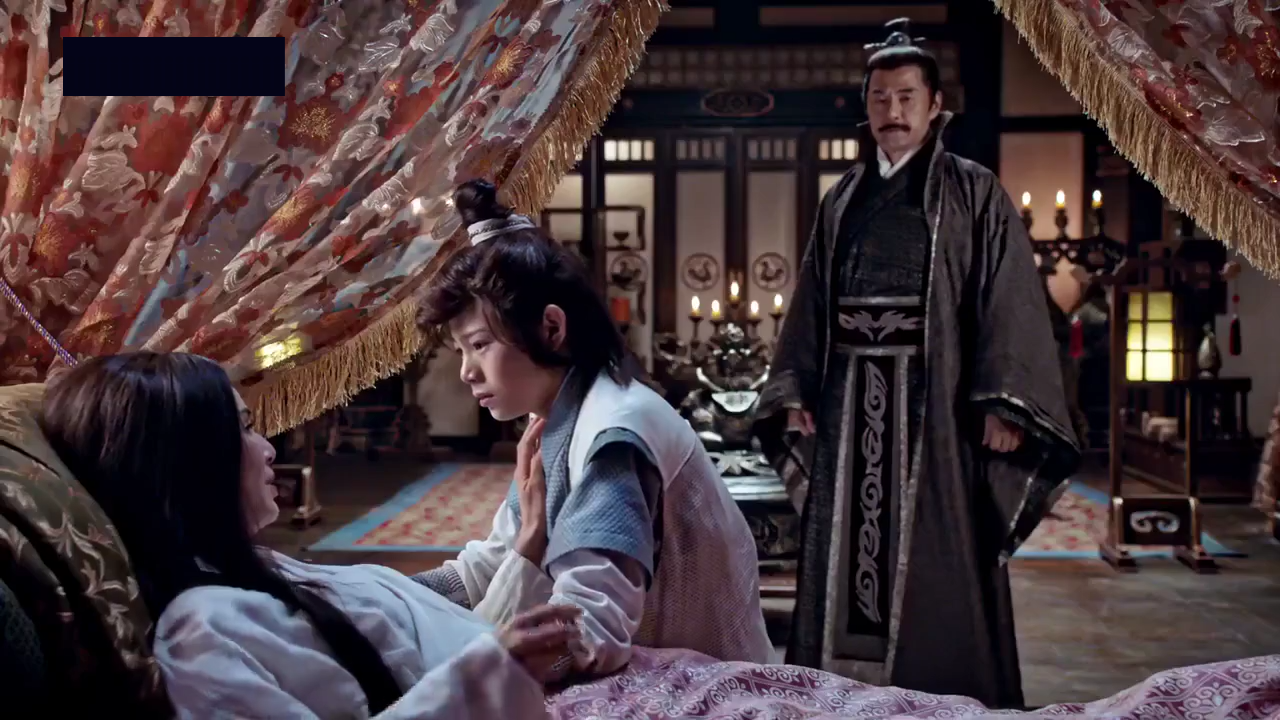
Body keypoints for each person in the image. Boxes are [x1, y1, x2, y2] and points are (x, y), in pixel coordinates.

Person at [752, 19, 1080, 709]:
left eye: (906, 97)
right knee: (844, 549)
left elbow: (1007, 298)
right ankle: (842, 695)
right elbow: (812, 299)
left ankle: (944, 696)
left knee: (938, 557)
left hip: (941, 408)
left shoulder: (974, 192)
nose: (893, 111)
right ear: (866, 107)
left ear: (935, 107)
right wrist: (796, 388)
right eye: (880, 98)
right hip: (849, 403)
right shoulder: (843, 199)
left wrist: (1002, 401)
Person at [38, 352, 581, 719]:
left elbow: (420, 627)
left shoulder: (262, 572)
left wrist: (527, 543)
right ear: (189, 465)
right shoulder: (201, 632)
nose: (269, 448)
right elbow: (432, 663)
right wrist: (491, 671)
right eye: (245, 428)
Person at [412, 179, 773, 681]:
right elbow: (495, 560)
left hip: (701, 679)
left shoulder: (614, 432)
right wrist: (393, 598)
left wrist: (473, 665)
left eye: (479, 345)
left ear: (551, 328)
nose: (467, 372)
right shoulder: (561, 415)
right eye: (461, 351)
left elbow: (592, 627)